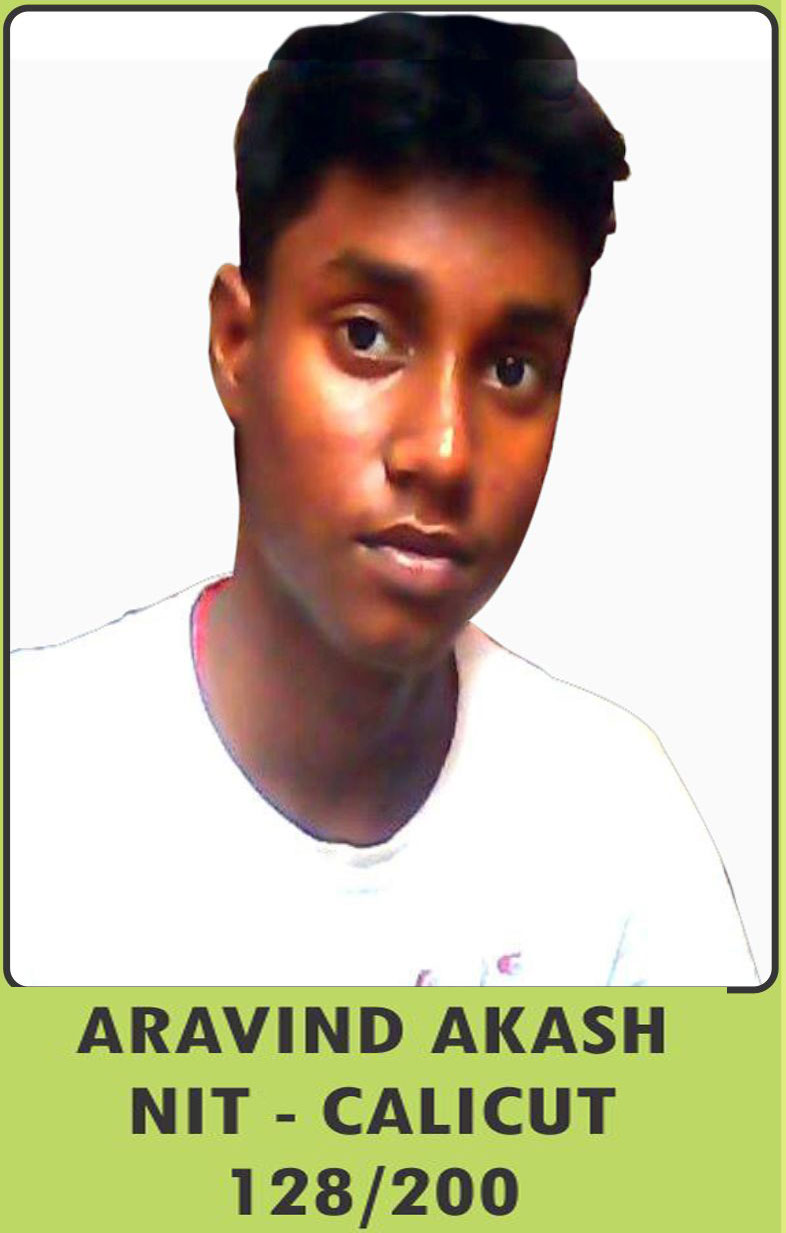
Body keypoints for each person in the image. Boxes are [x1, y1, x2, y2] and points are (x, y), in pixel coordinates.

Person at [10, 12, 757, 987]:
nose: (444, 451)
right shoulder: (30, 780)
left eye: (514, 367)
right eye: (366, 337)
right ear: (237, 344)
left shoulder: (619, 825)